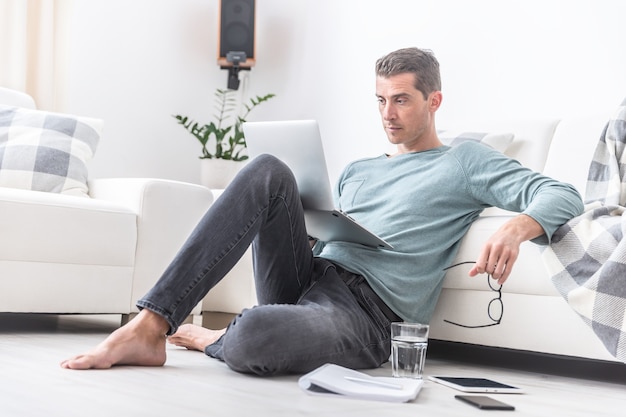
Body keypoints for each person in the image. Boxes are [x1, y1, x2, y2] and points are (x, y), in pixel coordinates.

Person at [60, 47, 583, 375]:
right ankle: (152, 324)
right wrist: (309, 234)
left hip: (369, 315)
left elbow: (564, 195)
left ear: (434, 101)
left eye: (401, 100)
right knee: (267, 168)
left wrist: (519, 225)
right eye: (380, 100)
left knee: (258, 334)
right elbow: (319, 240)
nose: (388, 114)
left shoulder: (465, 160)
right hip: (311, 279)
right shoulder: (358, 169)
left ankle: (214, 337)